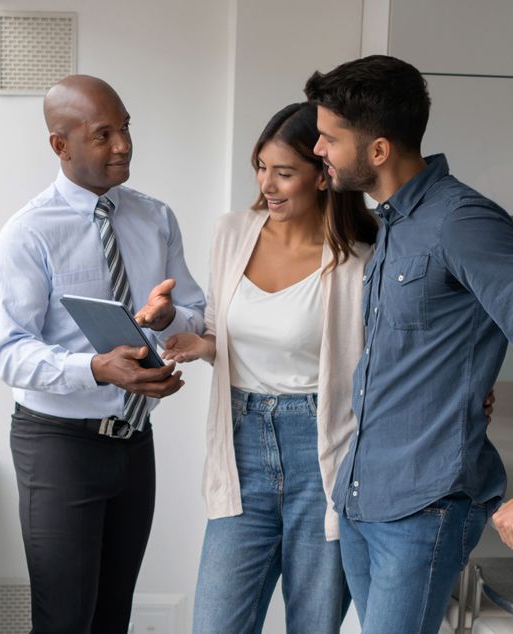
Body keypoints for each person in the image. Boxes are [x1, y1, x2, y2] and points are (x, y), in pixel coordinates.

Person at [306, 55, 513, 634]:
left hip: (424, 506)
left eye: (329, 138)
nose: (318, 150)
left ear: (379, 150)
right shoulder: (395, 222)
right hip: (365, 498)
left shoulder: (463, 222)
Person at [0, 74, 205, 633]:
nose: (124, 145)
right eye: (103, 134)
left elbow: (197, 313)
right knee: (64, 621)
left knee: (112, 619)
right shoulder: (28, 233)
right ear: (61, 145)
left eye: (126, 127)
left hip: (135, 445)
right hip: (58, 447)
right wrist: (93, 367)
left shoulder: (155, 218)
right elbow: (9, 353)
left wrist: (168, 317)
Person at [163, 101, 375, 633]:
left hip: (322, 454)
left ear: (323, 176)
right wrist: (197, 342)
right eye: (261, 168)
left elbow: (380, 366)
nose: (269, 184)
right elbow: (220, 330)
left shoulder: (359, 262)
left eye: (285, 172)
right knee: (216, 624)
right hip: (243, 447)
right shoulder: (233, 233)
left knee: (313, 624)